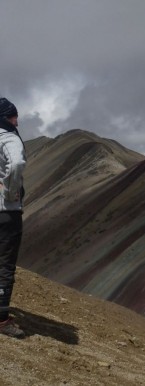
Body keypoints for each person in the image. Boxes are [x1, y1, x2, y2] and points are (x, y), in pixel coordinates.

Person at [0, 97, 26, 338]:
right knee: (5, 265)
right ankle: (1, 320)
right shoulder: (8, 137)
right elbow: (16, 163)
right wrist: (10, 191)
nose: (16, 121)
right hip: (7, 211)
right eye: (12, 116)